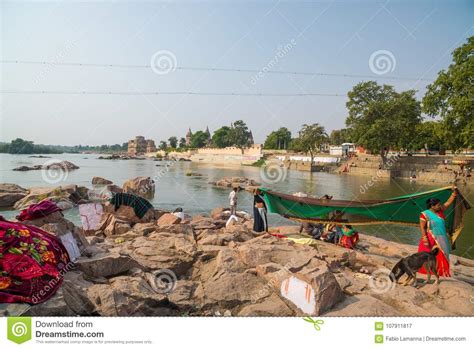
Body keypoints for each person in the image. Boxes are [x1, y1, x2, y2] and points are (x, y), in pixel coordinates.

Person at [418, 186, 458, 278]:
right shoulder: (425, 214)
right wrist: (425, 239)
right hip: (430, 238)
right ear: (432, 206)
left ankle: (441, 272)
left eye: (440, 205)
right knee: (427, 256)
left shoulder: (440, 211)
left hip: (442, 238)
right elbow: (422, 227)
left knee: (443, 256)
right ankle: (427, 272)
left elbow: (447, 203)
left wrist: (454, 193)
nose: (440, 206)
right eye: (438, 205)